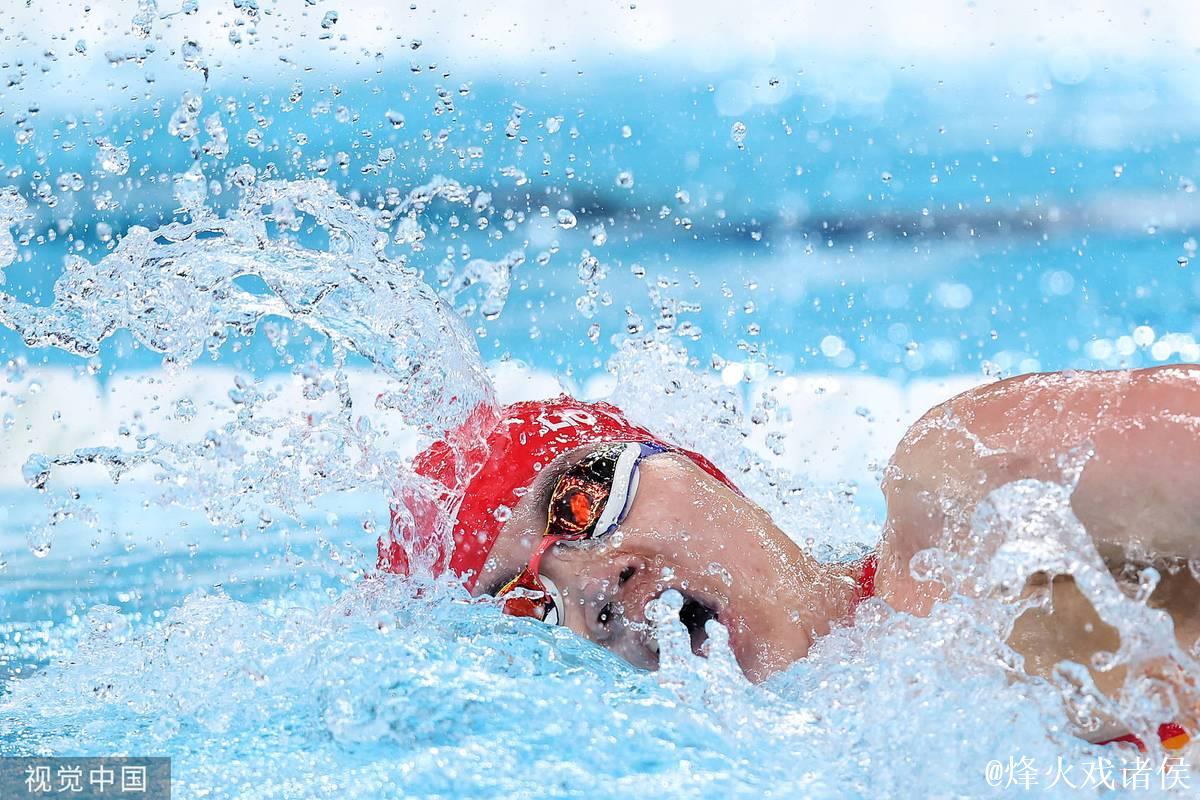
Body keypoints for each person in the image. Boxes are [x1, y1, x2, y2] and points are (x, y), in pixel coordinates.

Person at [378, 365, 1200, 749]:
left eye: (579, 502)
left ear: (695, 465)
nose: (597, 587)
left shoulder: (969, 492)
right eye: (530, 604)